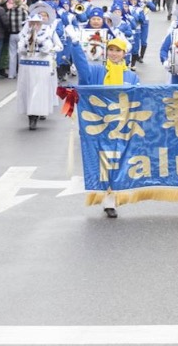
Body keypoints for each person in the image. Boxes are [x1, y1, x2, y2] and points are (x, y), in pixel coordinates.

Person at [65, 31, 138, 219]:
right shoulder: (98, 71)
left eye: (118, 51)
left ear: (124, 54)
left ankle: (111, 198)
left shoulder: (131, 76)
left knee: (117, 163)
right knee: (102, 163)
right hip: (99, 125)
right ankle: (108, 199)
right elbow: (83, 71)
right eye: (111, 50)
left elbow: (139, 98)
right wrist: (75, 47)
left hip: (121, 126)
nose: (114, 54)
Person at [17, 13, 63, 130]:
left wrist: (45, 46)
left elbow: (57, 46)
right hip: (27, 66)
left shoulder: (48, 32)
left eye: (37, 23)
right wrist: (27, 43)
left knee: (39, 91)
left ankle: (35, 116)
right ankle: (30, 115)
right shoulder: (24, 34)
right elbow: (20, 50)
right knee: (28, 90)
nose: (35, 26)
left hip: (42, 65)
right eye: (32, 23)